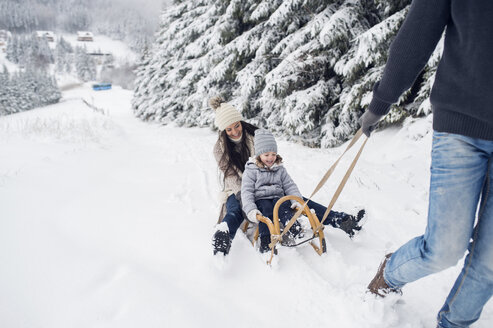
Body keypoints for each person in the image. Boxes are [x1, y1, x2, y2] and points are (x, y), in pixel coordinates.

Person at [362, 1, 493, 327]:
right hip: (461, 128)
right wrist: (382, 101)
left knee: (490, 262)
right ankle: (390, 274)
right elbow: (416, 35)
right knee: (444, 248)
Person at [210, 96, 364, 256]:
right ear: (223, 131)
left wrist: (274, 186)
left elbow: (269, 162)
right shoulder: (219, 149)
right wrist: (248, 197)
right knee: (235, 208)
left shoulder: (256, 136)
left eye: (236, 126)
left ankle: (343, 221)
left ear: (241, 122)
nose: (235, 132)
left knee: (295, 200)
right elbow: (231, 177)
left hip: (264, 181)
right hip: (237, 187)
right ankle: (224, 235)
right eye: (229, 129)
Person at [241, 129, 305, 253]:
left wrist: (297, 200)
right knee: (266, 211)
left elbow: (289, 185)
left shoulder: (280, 168)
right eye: (266, 155)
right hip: (261, 199)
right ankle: (265, 239)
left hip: (278, 197)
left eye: (273, 154)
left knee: (284, 207)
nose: (271, 158)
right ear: (259, 155)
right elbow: (247, 191)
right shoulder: (251, 170)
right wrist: (251, 209)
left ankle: (294, 228)